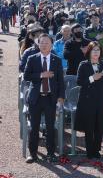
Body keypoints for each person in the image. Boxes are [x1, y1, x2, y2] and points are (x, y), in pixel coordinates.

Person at [23, 33, 65, 163]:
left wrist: (61, 97)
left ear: (52, 45)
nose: (44, 45)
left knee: (50, 127)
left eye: (47, 42)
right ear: (38, 44)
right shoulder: (32, 58)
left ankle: (51, 153)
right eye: (42, 42)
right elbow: (26, 77)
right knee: (34, 127)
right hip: (35, 98)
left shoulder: (56, 60)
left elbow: (60, 81)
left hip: (50, 98)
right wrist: (41, 74)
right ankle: (33, 154)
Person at [75, 41, 103, 159]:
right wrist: (92, 78)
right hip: (87, 100)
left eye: (98, 50)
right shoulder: (83, 64)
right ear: (89, 52)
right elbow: (79, 82)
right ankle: (89, 150)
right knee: (89, 126)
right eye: (93, 50)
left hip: (101, 99)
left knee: (99, 125)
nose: (96, 52)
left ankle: (96, 150)